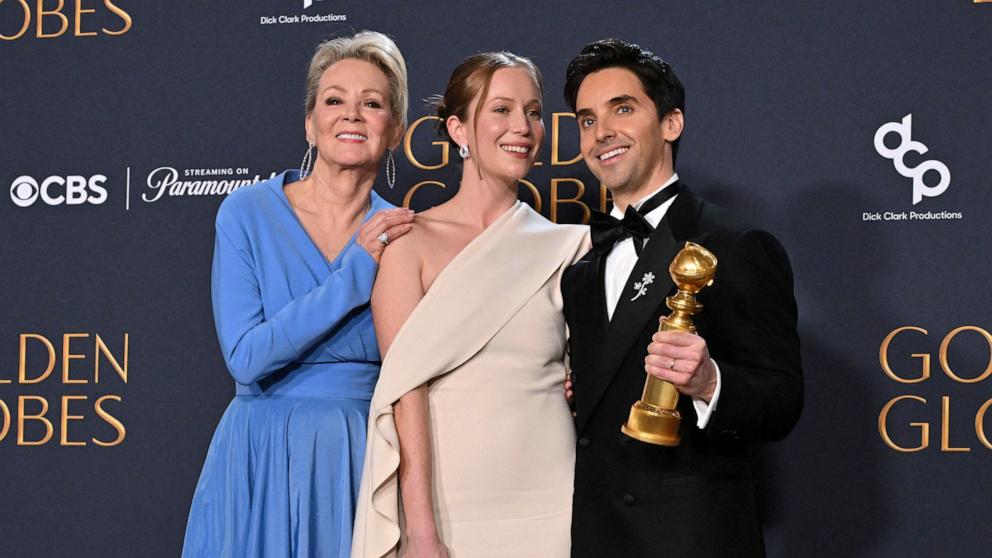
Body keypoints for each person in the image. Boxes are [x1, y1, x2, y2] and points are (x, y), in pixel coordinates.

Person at [561, 39, 804, 557]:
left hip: (690, 539)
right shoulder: (581, 269)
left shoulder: (735, 244)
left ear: (671, 123)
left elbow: (782, 401)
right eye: (586, 119)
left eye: (622, 108)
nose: (601, 131)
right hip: (593, 535)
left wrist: (709, 381)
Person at [182, 31, 415, 558]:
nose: (351, 115)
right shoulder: (246, 213)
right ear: (310, 123)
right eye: (334, 101)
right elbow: (247, 358)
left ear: (395, 129)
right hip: (260, 453)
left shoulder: (403, 234)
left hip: (364, 456)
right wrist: (354, 275)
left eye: (372, 104)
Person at [351, 52, 588, 558]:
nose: (521, 127)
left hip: (551, 495)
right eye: (501, 110)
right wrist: (420, 526)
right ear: (458, 129)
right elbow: (404, 392)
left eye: (533, 111)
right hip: (450, 501)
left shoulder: (569, 247)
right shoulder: (409, 242)